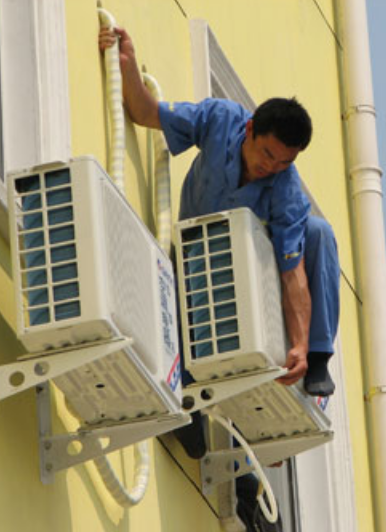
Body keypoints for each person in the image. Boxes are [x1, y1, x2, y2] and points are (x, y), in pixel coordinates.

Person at [99, 27, 338, 396]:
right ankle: (189, 408)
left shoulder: (285, 187)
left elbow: (293, 276)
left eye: (282, 162)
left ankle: (319, 356)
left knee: (319, 231)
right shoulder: (220, 119)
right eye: (267, 154)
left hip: (252, 275)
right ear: (251, 129)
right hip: (195, 255)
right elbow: (145, 112)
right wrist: (126, 65)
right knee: (187, 334)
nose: (270, 167)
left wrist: (301, 347)